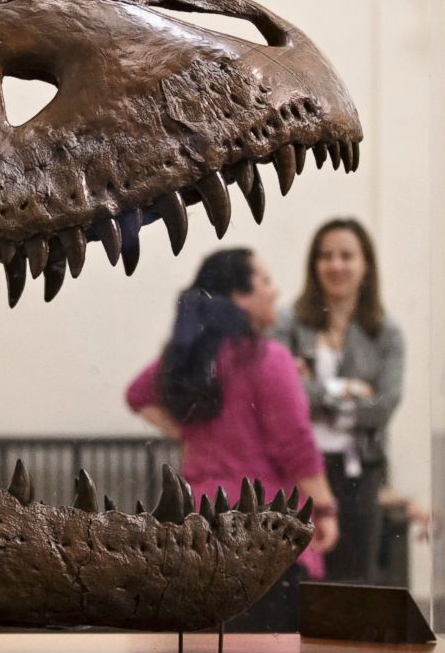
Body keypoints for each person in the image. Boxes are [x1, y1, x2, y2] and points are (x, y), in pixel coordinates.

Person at [126, 248, 338, 631]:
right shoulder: (268, 358)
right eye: (266, 281)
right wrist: (324, 510)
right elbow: (294, 444)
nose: (275, 292)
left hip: (196, 532)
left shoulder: (187, 360)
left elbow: (137, 395)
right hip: (267, 536)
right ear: (240, 296)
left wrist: (188, 430)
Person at [272, 218, 404, 584]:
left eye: (347, 256)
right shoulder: (287, 323)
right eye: (326, 256)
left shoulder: (386, 332)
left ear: (366, 266)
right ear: (314, 265)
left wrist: (319, 391)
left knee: (353, 581)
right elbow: (284, 396)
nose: (336, 265)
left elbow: (384, 405)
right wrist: (350, 391)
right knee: (296, 578)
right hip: (299, 470)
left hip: (361, 470)